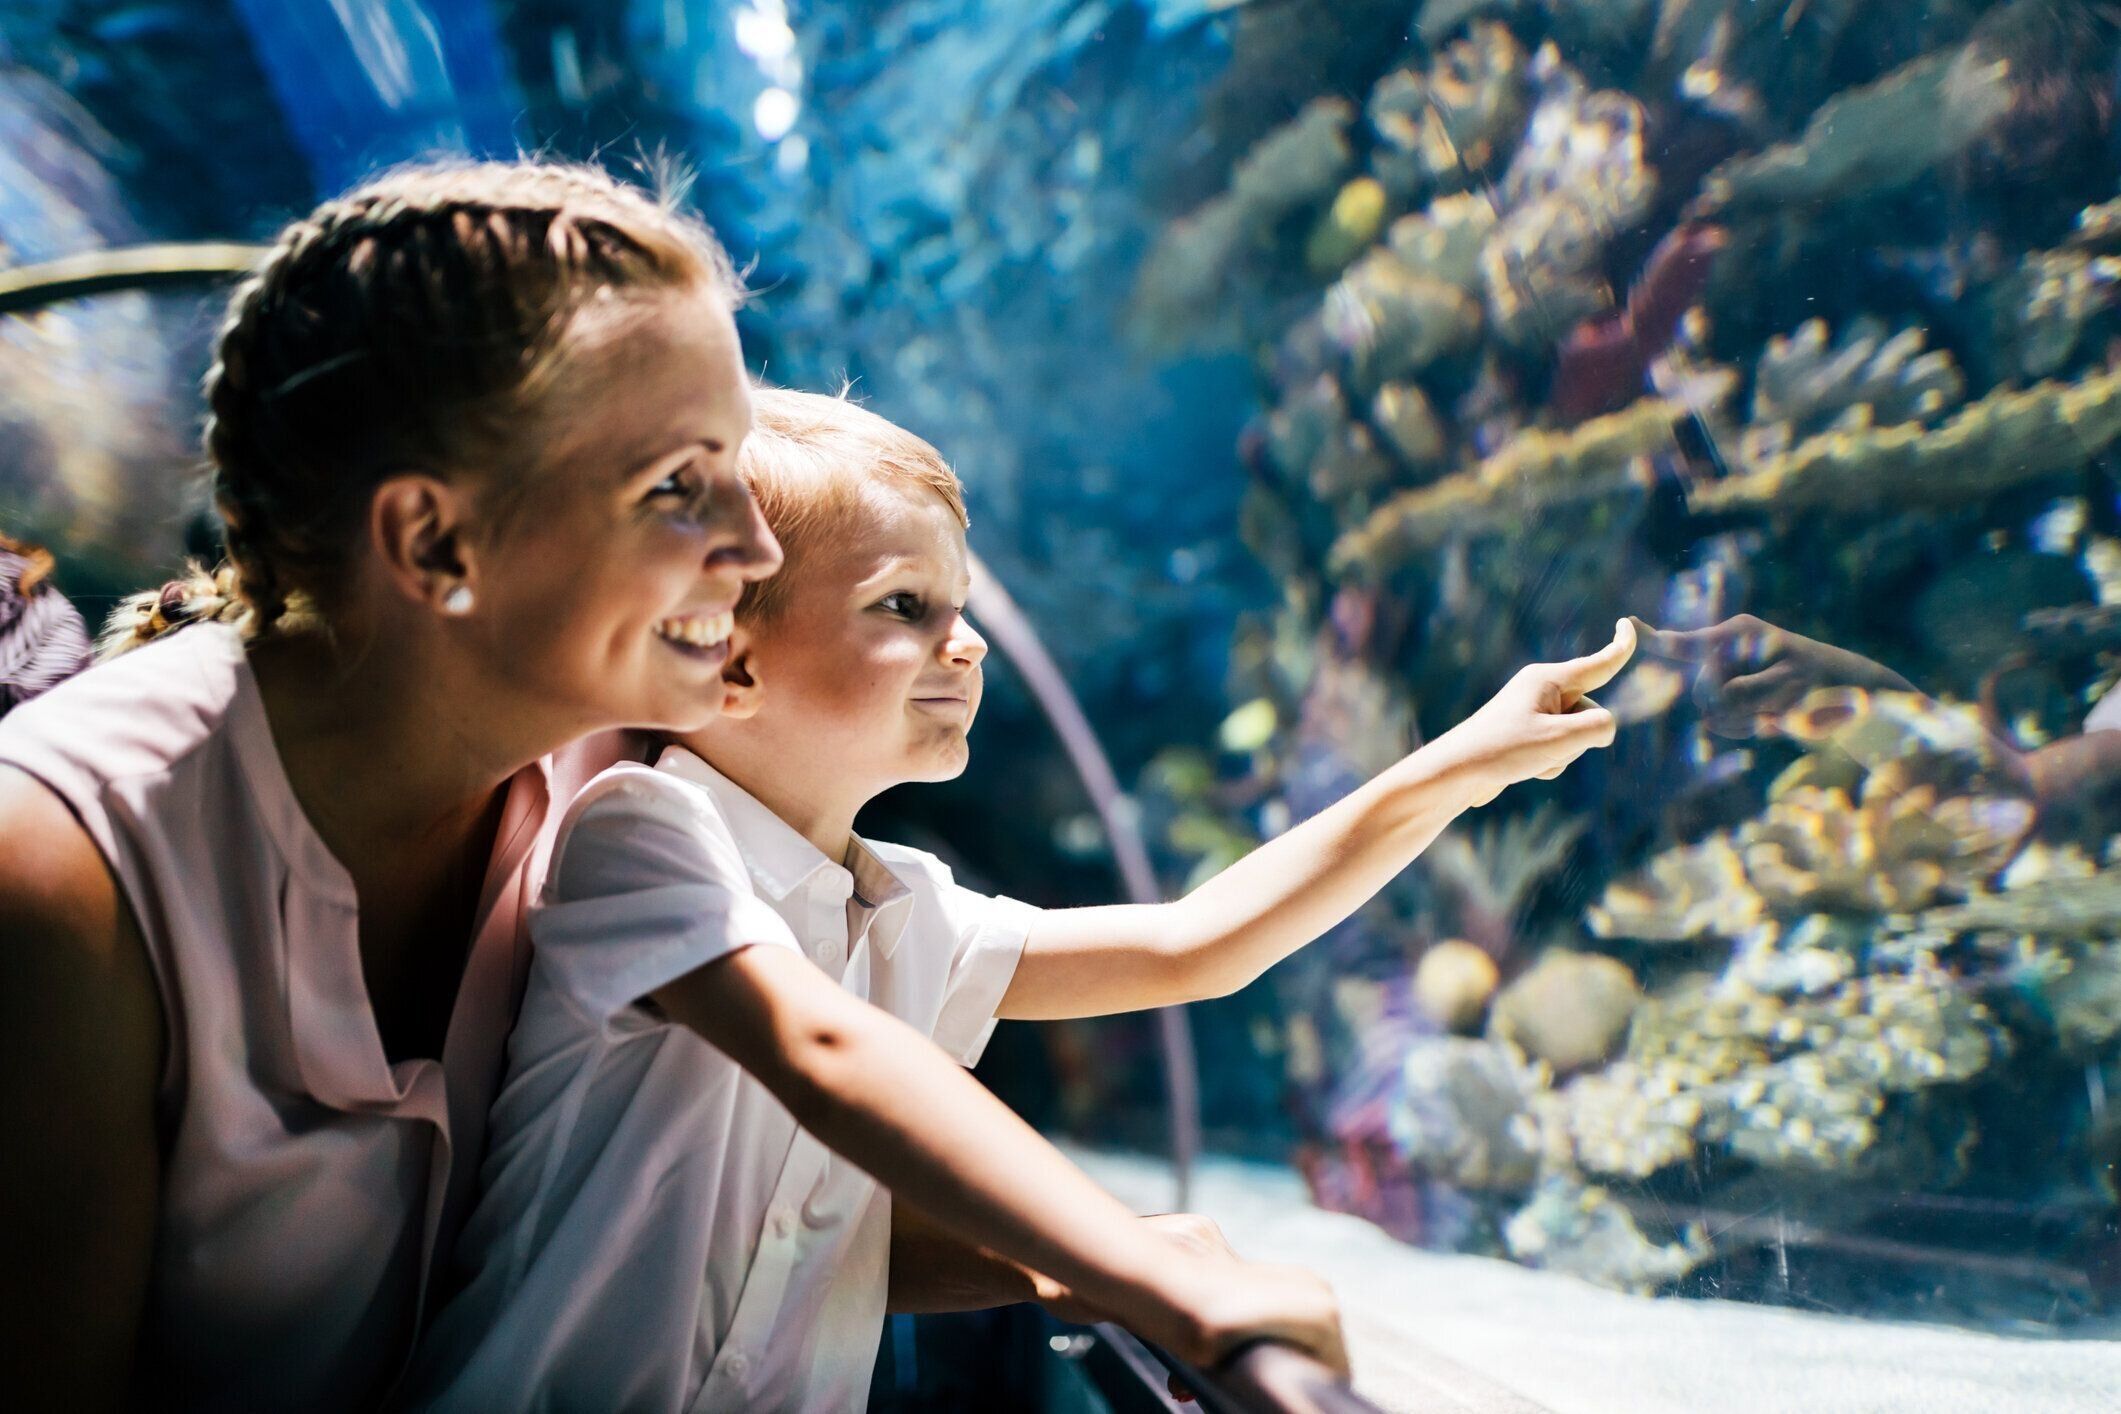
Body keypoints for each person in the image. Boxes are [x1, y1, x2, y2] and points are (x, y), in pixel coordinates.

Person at [407, 388, 1634, 1411]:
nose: (968, 645)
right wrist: (1147, 1275)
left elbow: (1186, 947)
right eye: (905, 607)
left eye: (966, 611)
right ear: (729, 657)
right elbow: (822, 1050)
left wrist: (1457, 765)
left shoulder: (907, 911)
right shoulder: (638, 830)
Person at [0, 159, 782, 1411]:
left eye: (742, 469)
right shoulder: (62, 873)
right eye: (678, 486)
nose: (759, 544)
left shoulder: (617, 770)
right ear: (433, 542)